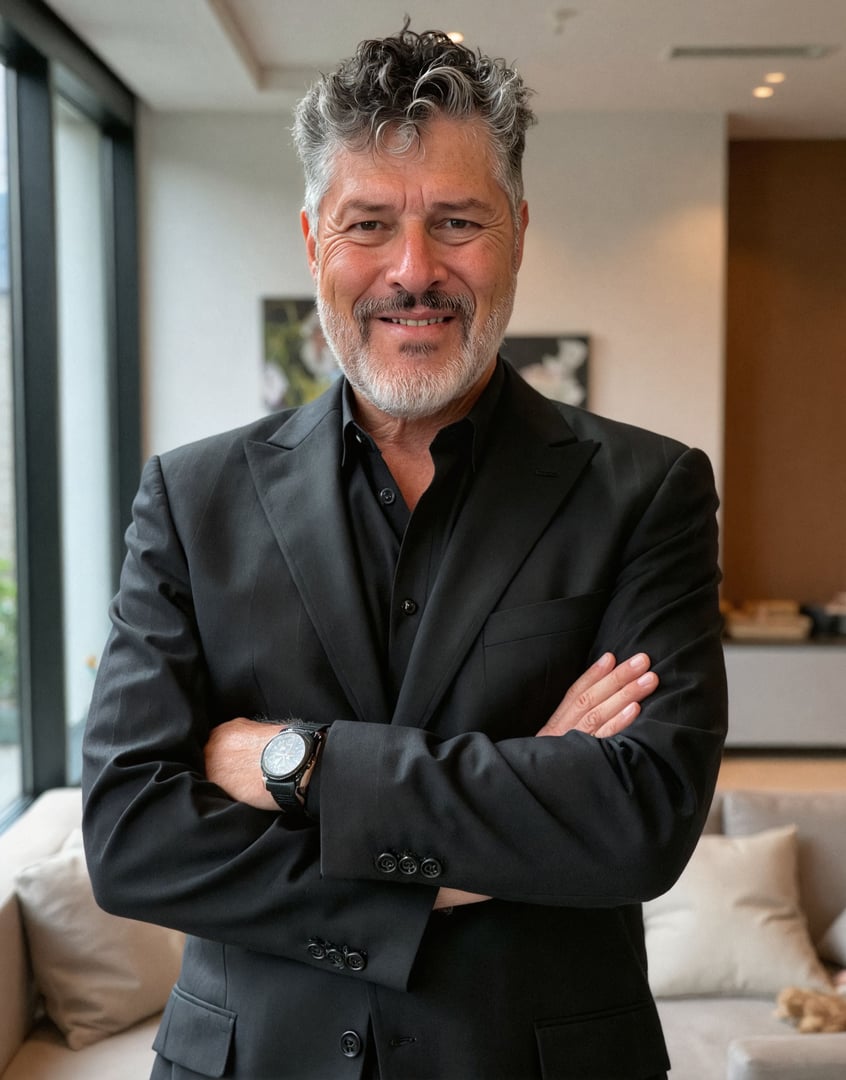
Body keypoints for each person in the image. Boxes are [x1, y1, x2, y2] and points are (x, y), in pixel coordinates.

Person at [82, 24, 727, 1080]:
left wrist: (296, 763)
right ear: (313, 241)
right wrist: (471, 850)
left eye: (458, 222)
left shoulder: (647, 491)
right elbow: (130, 838)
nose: (414, 270)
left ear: (518, 232)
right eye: (369, 224)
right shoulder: (192, 499)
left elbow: (638, 820)